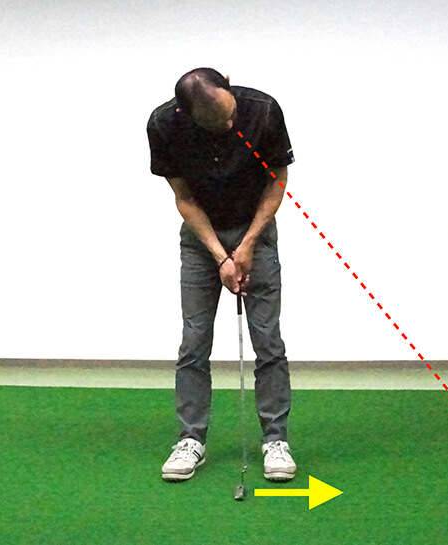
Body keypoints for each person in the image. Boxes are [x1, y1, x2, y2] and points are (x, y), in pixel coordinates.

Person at [146, 67, 296, 482]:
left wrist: (246, 245)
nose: (229, 125)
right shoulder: (163, 125)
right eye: (216, 122)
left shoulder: (263, 110)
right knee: (194, 341)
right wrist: (219, 255)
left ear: (228, 83)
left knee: (268, 339)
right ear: (185, 112)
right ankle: (190, 439)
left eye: (230, 115)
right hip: (201, 239)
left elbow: (277, 181)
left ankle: (275, 440)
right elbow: (184, 197)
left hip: (256, 233)